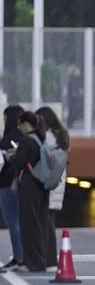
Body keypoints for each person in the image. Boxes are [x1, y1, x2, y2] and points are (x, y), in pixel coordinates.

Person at [9, 112, 50, 275]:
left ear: (27, 123)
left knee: (29, 224)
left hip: (29, 186)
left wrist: (12, 156)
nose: (19, 128)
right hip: (40, 186)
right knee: (38, 223)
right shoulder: (39, 138)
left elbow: (20, 163)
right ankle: (38, 260)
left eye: (20, 124)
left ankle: (32, 263)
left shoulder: (27, 140)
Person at [34, 106, 70, 267]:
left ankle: (47, 257)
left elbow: (44, 157)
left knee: (45, 223)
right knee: (49, 222)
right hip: (58, 181)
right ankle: (49, 257)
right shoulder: (61, 135)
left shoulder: (48, 136)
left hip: (49, 182)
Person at [0, 105, 25, 270]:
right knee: (19, 220)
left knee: (12, 220)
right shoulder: (24, 136)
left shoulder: (7, 138)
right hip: (20, 182)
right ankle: (21, 255)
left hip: (6, 182)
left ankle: (19, 256)